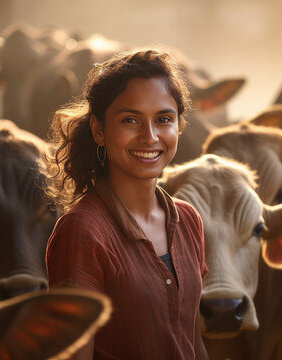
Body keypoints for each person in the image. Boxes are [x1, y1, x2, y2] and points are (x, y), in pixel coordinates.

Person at [44, 48, 209, 360]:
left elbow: (192, 342)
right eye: (130, 120)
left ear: (179, 127)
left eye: (163, 119)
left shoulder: (189, 220)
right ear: (99, 130)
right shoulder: (83, 231)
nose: (149, 136)